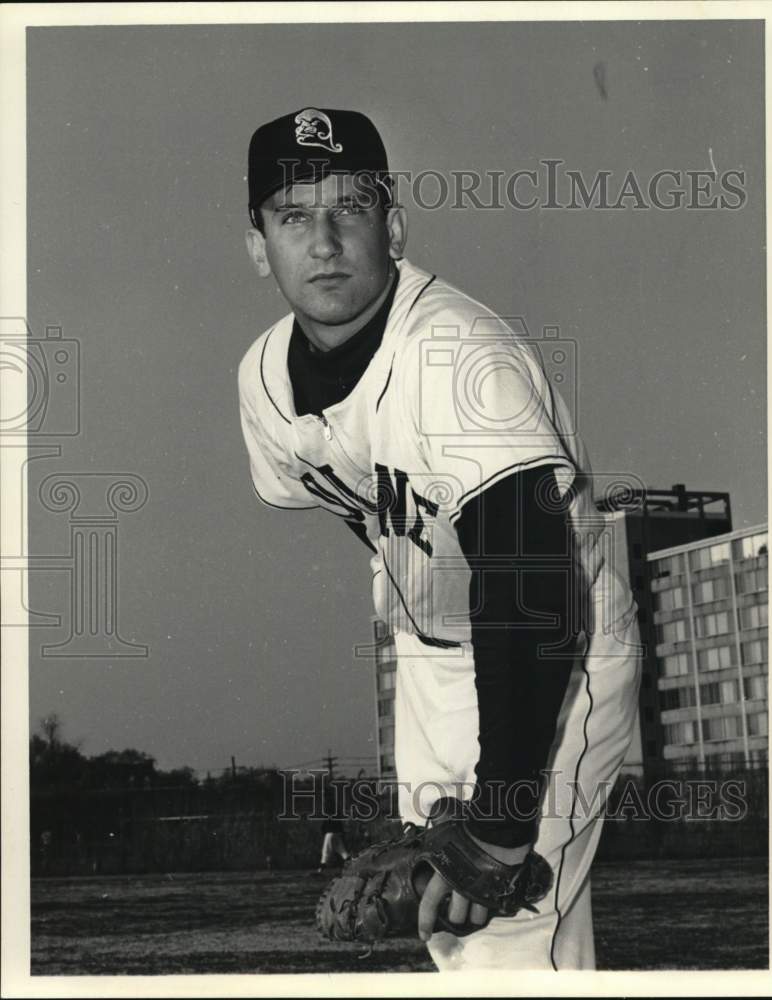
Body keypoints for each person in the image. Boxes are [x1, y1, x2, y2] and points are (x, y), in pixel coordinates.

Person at [238, 107, 642, 970]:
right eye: (293, 215)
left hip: (556, 643)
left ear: (393, 226)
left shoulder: (456, 357)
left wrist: (500, 816)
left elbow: (530, 584)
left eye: (350, 209)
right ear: (256, 244)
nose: (324, 241)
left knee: (496, 925)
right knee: (459, 940)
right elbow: (384, 503)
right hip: (432, 662)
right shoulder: (263, 381)